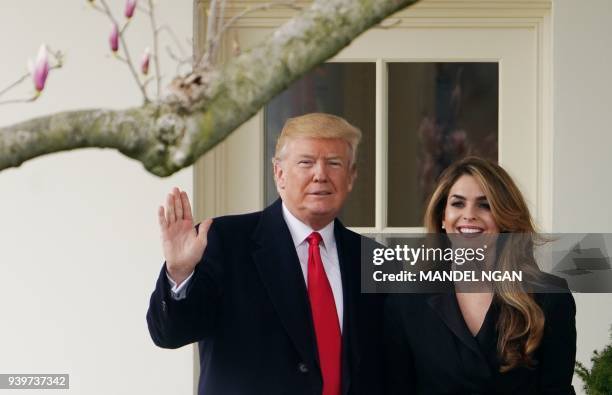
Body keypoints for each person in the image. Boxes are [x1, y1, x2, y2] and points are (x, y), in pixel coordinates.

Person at [147, 113, 384, 395]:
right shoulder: (224, 241)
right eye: (306, 162)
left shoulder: (373, 258)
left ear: (351, 177)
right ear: (279, 173)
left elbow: (393, 362)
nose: (320, 174)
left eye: (334, 163)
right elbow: (170, 334)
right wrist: (179, 272)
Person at [384, 156, 577, 394]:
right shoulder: (406, 298)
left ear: (504, 219)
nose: (469, 215)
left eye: (485, 205)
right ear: (442, 218)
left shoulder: (549, 296)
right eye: (457, 204)